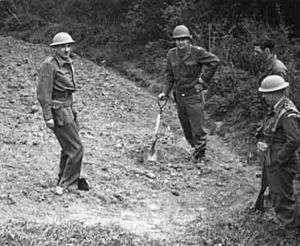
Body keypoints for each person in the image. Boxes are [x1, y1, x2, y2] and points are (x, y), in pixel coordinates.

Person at [158, 25, 220, 163]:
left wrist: (202, 81)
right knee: (186, 128)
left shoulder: (197, 52)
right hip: (179, 95)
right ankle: (195, 149)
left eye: (183, 40)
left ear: (189, 40)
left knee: (197, 128)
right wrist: (164, 92)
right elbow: (169, 75)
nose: (180, 43)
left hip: (194, 95)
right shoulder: (171, 54)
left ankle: (200, 155)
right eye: (178, 40)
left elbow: (214, 62)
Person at [37, 32, 85, 195]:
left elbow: (69, 89)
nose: (66, 49)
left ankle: (62, 179)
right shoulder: (49, 65)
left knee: (68, 148)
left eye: (68, 46)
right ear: (55, 49)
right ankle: (68, 184)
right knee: (76, 148)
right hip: (59, 111)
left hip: (69, 108)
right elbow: (43, 94)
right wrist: (48, 117)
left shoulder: (68, 63)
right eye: (62, 47)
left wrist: (73, 109)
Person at [256, 75, 300, 230]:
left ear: (276, 93)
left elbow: (294, 140)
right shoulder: (278, 108)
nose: (263, 96)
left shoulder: (287, 113)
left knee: (283, 195)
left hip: (281, 159)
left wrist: (279, 159)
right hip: (273, 156)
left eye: (266, 93)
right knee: (274, 188)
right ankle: (284, 222)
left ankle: (289, 228)